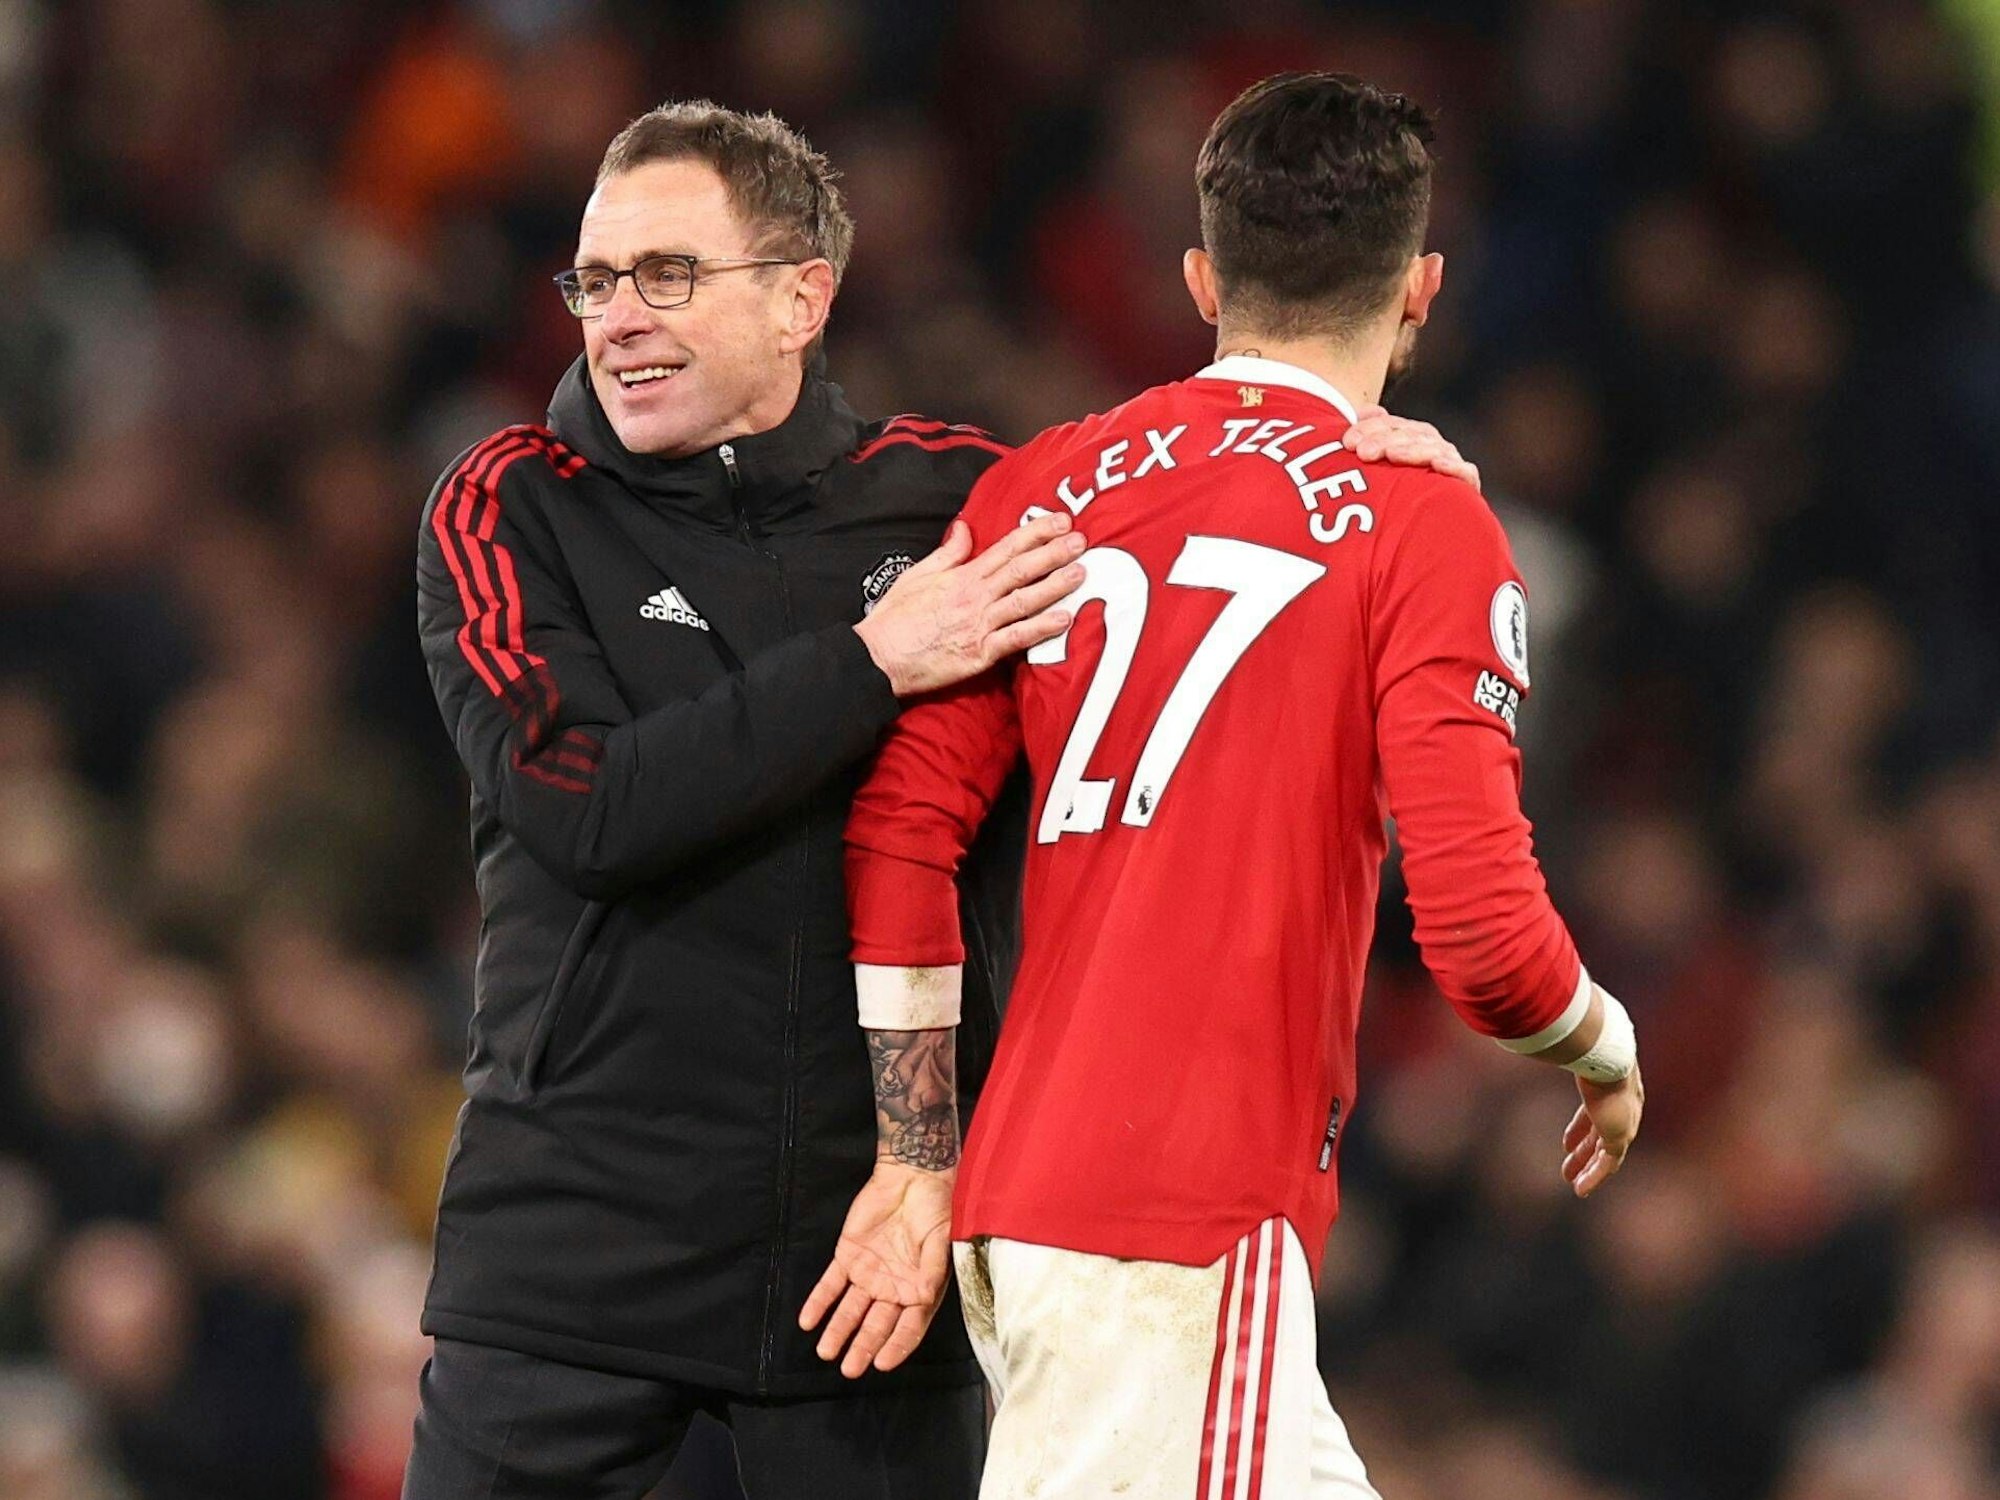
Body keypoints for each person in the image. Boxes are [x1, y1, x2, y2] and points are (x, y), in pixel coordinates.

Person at [409, 99, 1478, 1500]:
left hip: (870, 1295)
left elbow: (1211, 537)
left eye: (667, 275)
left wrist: (1365, 463)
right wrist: (869, 664)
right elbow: (585, 807)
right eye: (596, 283)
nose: (617, 318)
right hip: (569, 1289)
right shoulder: (506, 505)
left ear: (803, 296)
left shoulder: (956, 503)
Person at [815, 73, 1646, 1500]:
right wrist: (1608, 1048)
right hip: (1182, 1228)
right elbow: (1484, 941)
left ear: (1203, 278)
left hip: (1037, 1211)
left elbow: (902, 829)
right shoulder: (1420, 517)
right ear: (1422, 291)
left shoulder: (1046, 485)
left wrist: (914, 1154)